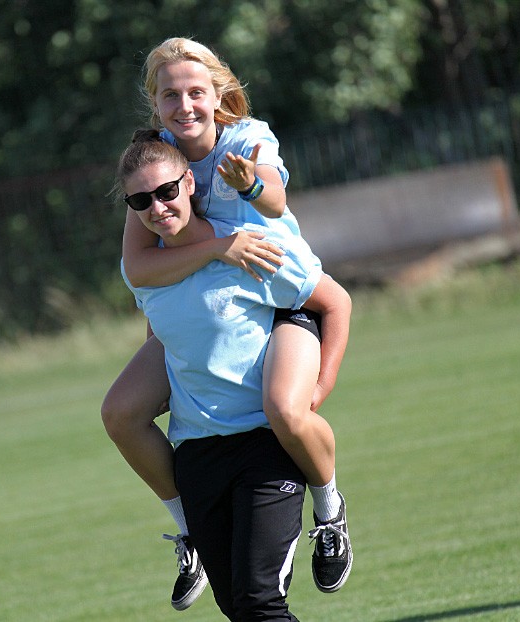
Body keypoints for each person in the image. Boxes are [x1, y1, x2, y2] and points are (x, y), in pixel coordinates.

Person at [101, 37, 352, 610]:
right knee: (119, 413)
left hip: (277, 287)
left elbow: (276, 203)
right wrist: (218, 248)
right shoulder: (155, 161)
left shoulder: (246, 138)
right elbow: (140, 267)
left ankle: (330, 510)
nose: (183, 105)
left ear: (219, 94)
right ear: (154, 103)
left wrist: (250, 186)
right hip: (214, 272)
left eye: (196, 92)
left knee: (286, 410)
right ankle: (189, 530)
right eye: (169, 95)